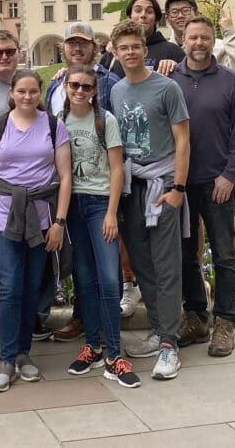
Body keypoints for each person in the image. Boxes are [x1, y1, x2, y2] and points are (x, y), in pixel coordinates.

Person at [0, 69, 72, 393]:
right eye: (21, 91)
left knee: (32, 287)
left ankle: (23, 353)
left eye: (33, 91)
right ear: (12, 93)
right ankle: (6, 358)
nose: (27, 97)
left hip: (42, 217)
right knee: (9, 288)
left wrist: (59, 222)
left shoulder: (53, 126)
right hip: (5, 218)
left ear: (40, 92)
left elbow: (64, 177)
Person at [109, 19, 190, 381]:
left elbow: (184, 141)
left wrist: (179, 189)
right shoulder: (118, 91)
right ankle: (158, 330)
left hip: (163, 183)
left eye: (135, 46)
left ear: (144, 49)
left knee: (166, 264)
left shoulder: (167, 87)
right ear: (115, 51)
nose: (130, 52)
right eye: (123, 47)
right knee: (143, 266)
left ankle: (170, 344)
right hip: (132, 186)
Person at [171, 17, 235, 357]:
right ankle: (194, 315)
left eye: (205, 37)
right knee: (185, 253)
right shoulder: (170, 79)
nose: (199, 43)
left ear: (213, 40)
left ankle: (225, 321)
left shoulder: (230, 81)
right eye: (193, 37)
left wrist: (229, 175)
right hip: (180, 182)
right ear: (184, 41)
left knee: (223, 254)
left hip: (216, 181)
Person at [61, 64, 141, 388]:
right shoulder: (59, 123)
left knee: (109, 279)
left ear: (94, 90)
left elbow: (117, 169)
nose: (80, 91)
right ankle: (92, 346)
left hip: (98, 205)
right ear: (66, 86)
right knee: (85, 278)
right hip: (73, 207)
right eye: (75, 85)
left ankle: (115, 354)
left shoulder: (104, 120)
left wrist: (111, 212)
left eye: (86, 87)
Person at [164, 0, 235, 82]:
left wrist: (230, 32)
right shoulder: (163, 51)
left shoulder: (218, 47)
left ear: (197, 13)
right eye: (174, 12)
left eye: (186, 10)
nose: (180, 16)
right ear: (167, 19)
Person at [99, 0, 184, 77]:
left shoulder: (173, 52)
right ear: (129, 17)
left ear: (156, 20)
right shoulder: (112, 54)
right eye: (138, 10)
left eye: (149, 11)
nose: (143, 15)